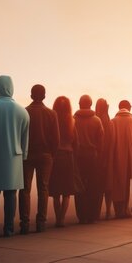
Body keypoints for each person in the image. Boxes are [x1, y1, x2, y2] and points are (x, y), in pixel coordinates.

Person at [0, 75, 29, 238]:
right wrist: (24, 156)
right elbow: (25, 139)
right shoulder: (23, 112)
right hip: (13, 159)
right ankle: (9, 229)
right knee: (11, 195)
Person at [19, 85, 60, 234]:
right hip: (45, 155)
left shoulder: (24, 112)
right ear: (44, 96)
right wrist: (52, 155)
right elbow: (56, 139)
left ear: (31, 95)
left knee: (25, 189)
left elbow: (20, 135)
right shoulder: (51, 114)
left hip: (27, 155)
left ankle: (24, 223)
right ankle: (41, 223)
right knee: (43, 188)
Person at [50, 96, 80, 227]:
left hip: (56, 157)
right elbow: (76, 142)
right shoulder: (72, 121)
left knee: (56, 191)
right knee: (67, 191)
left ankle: (57, 218)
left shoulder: (52, 120)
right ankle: (62, 219)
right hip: (68, 157)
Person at [73, 95, 104, 224]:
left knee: (79, 186)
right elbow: (101, 141)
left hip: (78, 157)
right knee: (93, 186)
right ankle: (92, 215)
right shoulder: (97, 120)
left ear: (79, 104)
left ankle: (81, 215)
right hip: (92, 156)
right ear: (91, 104)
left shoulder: (73, 119)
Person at [108, 100, 132, 218]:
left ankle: (117, 211)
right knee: (127, 183)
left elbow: (110, 139)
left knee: (117, 183)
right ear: (128, 108)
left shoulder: (113, 121)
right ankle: (125, 210)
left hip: (116, 156)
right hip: (129, 157)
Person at [95, 98, 113, 219]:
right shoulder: (109, 121)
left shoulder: (96, 120)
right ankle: (108, 210)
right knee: (108, 186)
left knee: (97, 187)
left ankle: (96, 211)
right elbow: (112, 141)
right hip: (108, 158)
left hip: (96, 158)